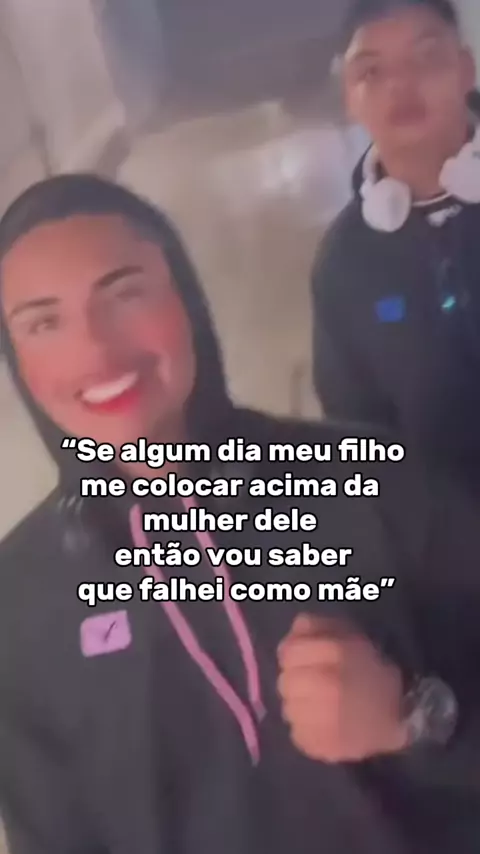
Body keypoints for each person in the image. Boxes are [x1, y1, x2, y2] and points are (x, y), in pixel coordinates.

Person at [0, 174, 478, 854]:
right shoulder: (18, 602)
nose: (97, 351)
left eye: (125, 292)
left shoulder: (375, 480)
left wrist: (412, 717)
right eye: (44, 323)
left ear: (187, 301)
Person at [312, 0, 480, 479]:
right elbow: (359, 442)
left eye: (426, 58)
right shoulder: (343, 265)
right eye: (372, 71)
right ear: (349, 96)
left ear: (466, 69)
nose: (400, 85)